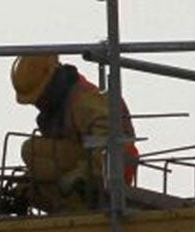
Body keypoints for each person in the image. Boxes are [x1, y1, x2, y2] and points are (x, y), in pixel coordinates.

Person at [10, 51, 139, 210]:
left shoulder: (83, 99)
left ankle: (77, 207)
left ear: (49, 85)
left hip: (113, 170)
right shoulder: (60, 105)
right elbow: (65, 149)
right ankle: (70, 207)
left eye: (38, 97)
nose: (38, 104)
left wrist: (82, 173)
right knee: (34, 190)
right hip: (89, 166)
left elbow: (110, 141)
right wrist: (28, 181)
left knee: (30, 150)